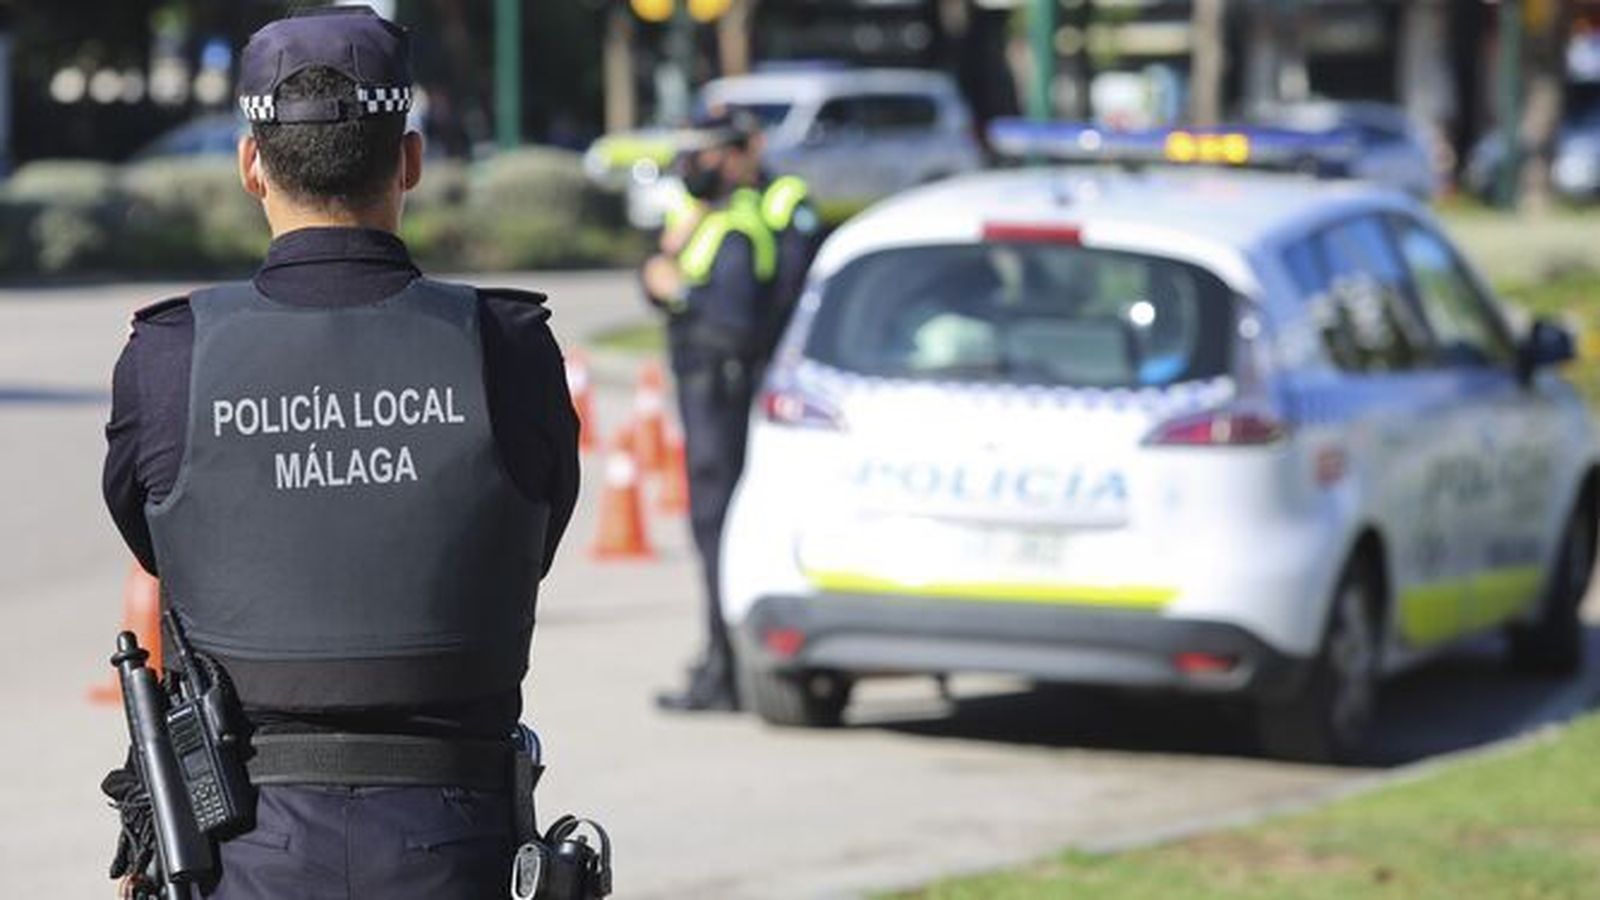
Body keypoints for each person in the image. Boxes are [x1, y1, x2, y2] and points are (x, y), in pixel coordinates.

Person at [98, 7, 579, 898]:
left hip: (240, 851)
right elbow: (529, 539)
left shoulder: (170, 359)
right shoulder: (508, 350)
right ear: (411, 160)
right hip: (459, 847)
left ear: (250, 165)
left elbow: (158, 545)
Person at [642, 119, 777, 712]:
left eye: (703, 153)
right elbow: (660, 276)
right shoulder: (701, 222)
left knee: (719, 532)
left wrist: (679, 294)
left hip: (721, 398)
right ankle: (718, 658)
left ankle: (726, 672)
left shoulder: (739, 230)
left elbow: (733, 323)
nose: (692, 164)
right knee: (708, 533)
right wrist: (662, 281)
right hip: (702, 397)